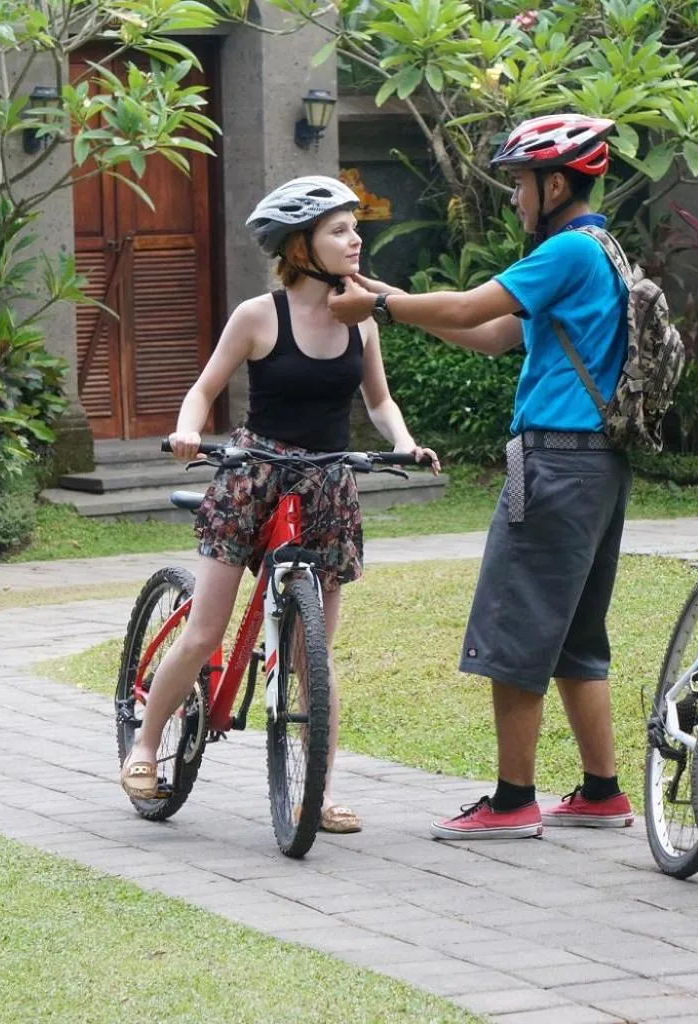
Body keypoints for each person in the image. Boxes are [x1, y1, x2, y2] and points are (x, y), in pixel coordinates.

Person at [328, 114, 633, 839]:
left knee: (516, 624)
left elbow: (469, 304)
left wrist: (378, 306)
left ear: (556, 184)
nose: (514, 198)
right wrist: (393, 302)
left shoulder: (564, 250)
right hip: (598, 464)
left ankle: (511, 801)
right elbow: (491, 332)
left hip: (557, 462)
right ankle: (601, 791)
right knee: (574, 637)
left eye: (520, 184)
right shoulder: (603, 251)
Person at [119, 175, 439, 835]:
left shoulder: (362, 319)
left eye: (355, 228)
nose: (355, 240)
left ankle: (316, 793)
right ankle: (146, 748)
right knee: (205, 630)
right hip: (252, 474)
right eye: (339, 230)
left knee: (310, 658)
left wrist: (406, 445)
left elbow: (378, 403)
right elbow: (204, 388)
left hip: (326, 482)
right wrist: (186, 431)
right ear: (302, 245)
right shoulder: (259, 315)